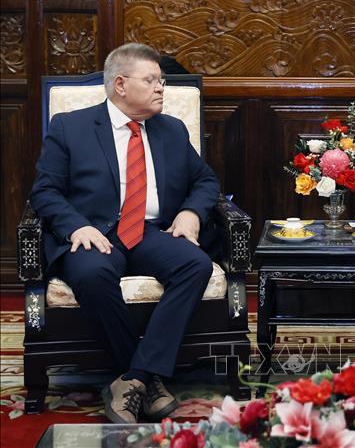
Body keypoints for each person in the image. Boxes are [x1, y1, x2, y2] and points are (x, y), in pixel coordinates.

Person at [31, 43, 220, 424]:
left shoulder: (171, 129)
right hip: (94, 232)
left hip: (151, 231)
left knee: (195, 265)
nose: (161, 88)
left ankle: (134, 379)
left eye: (161, 81)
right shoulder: (71, 127)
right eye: (151, 80)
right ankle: (147, 380)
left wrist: (190, 213)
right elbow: (44, 191)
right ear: (120, 84)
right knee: (92, 274)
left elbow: (206, 181)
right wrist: (76, 225)